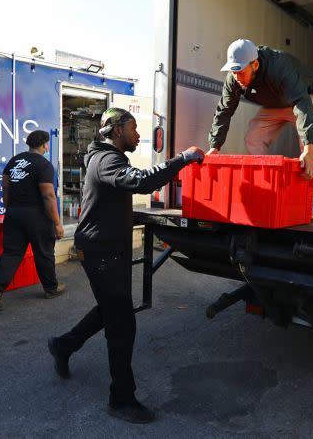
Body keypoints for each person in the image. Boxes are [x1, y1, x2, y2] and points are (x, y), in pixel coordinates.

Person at [47, 108, 204, 424]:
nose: (138, 135)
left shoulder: (106, 158)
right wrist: (183, 159)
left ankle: (63, 345)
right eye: (133, 129)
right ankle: (121, 399)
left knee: (109, 310)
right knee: (122, 325)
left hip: (103, 249)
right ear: (116, 130)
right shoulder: (107, 160)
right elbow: (141, 182)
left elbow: (117, 196)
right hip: (102, 253)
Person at [206, 38, 313, 221]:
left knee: (310, 144)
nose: (236, 77)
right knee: (253, 138)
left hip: (307, 97)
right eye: (233, 71)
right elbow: (224, 111)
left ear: (255, 64)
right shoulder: (234, 79)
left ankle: (311, 201)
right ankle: (269, 188)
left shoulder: (280, 66)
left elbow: (302, 105)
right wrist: (214, 147)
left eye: (240, 71)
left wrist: (308, 147)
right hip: (277, 102)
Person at [0, 130, 66, 310]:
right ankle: (51, 288)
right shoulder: (44, 165)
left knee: (11, 253)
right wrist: (57, 223)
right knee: (43, 252)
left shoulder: (14, 161)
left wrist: (9, 208)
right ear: (45, 144)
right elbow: (49, 195)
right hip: (36, 215)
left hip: (13, 213)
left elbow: (5, 187)